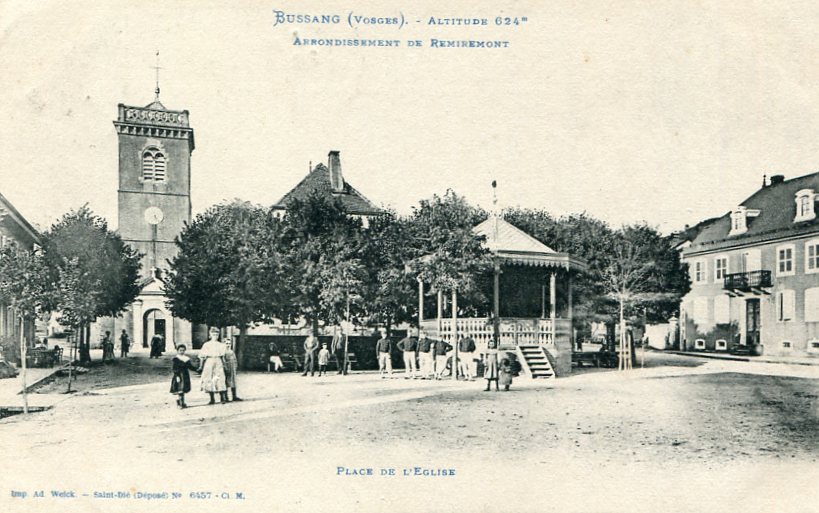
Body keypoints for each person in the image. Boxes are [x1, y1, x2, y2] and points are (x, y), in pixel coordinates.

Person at [198, 328, 228, 404]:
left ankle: (222, 398)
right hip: (209, 361)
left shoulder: (221, 345)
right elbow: (202, 356)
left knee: (220, 378)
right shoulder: (206, 345)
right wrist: (201, 366)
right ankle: (212, 399)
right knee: (209, 379)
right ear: (210, 335)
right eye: (213, 334)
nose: (215, 336)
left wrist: (225, 365)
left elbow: (223, 357)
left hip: (218, 361)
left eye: (217, 334)